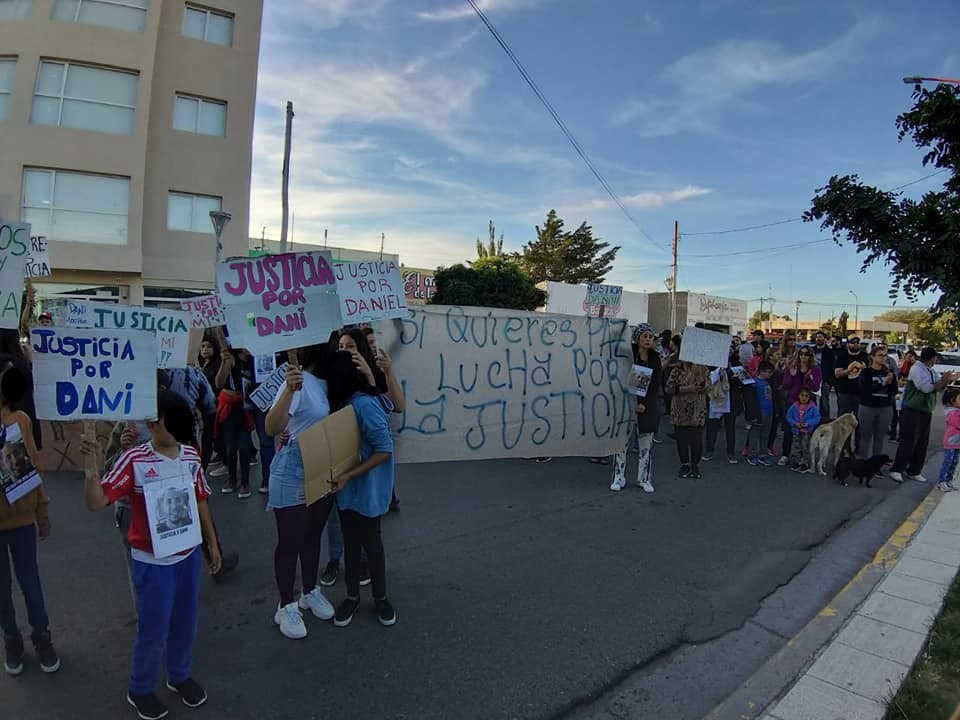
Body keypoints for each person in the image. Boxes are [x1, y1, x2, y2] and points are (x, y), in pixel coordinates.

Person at [80, 390, 222, 720]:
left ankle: (179, 675)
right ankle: (140, 688)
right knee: (153, 629)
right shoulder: (134, 460)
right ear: (153, 424)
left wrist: (211, 542)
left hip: (187, 557)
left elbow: (201, 498)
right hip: (152, 563)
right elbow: (96, 501)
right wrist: (91, 468)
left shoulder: (190, 456)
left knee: (186, 621)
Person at [264, 343, 337, 640]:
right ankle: (286, 604)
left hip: (322, 464)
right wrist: (289, 391)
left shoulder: (327, 384)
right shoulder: (296, 382)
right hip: (292, 469)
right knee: (290, 540)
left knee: (312, 535)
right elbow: (271, 426)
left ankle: (309, 591)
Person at [326, 351, 397, 628]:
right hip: (347, 489)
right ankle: (352, 596)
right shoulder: (342, 405)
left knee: (371, 543)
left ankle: (381, 598)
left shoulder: (365, 405)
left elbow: (385, 449)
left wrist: (349, 475)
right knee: (351, 544)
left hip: (366, 489)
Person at [0, 362, 58, 676]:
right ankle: (12, 640)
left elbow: (35, 468)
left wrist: (42, 511)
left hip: (21, 520)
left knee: (30, 581)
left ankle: (42, 637)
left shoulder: (20, 420)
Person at [890, 348, 958, 484]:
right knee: (908, 440)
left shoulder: (930, 371)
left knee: (922, 442)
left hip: (926, 410)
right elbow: (926, 388)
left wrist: (947, 380)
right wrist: (943, 381)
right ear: (931, 358)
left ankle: (914, 470)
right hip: (913, 409)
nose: (936, 361)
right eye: (935, 358)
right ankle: (897, 469)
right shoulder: (917, 369)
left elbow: (939, 385)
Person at [611, 324, 661, 492]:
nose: (648, 339)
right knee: (621, 444)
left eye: (650, 336)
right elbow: (620, 377)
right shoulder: (628, 355)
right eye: (644, 336)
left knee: (645, 445)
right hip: (626, 404)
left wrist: (644, 403)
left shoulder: (655, 358)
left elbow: (655, 384)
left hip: (646, 407)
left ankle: (644, 479)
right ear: (637, 338)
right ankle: (619, 477)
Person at [215, 347, 255, 497]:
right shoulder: (231, 358)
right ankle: (231, 479)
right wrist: (224, 364)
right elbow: (219, 383)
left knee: (244, 446)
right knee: (231, 446)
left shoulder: (255, 359)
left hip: (247, 408)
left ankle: (245, 482)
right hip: (231, 408)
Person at [665, 343, 709, 479]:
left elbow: (708, 388)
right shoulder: (676, 371)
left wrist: (700, 381)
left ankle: (695, 465)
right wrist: (686, 389)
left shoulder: (703, 370)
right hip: (680, 410)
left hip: (697, 410)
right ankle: (684, 464)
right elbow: (669, 388)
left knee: (696, 440)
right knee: (682, 439)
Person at [779, 346, 822, 465]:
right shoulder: (792, 367)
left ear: (810, 356)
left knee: (806, 431)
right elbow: (786, 385)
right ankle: (785, 454)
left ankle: (804, 457)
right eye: (801, 354)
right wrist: (791, 374)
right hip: (793, 401)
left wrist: (808, 378)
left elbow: (816, 387)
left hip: (808, 403)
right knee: (788, 428)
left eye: (806, 354)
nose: (803, 356)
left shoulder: (815, 369)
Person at [857, 345, 897, 460]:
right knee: (866, 435)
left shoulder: (888, 373)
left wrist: (891, 381)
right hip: (868, 407)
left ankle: (875, 463)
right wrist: (882, 384)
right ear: (872, 357)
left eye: (885, 356)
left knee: (880, 437)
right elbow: (865, 390)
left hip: (884, 407)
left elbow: (893, 391)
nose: (883, 358)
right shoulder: (866, 372)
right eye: (880, 355)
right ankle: (863, 461)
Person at [746, 362, 776, 467]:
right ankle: (752, 454)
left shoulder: (768, 382)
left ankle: (763, 454)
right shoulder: (755, 383)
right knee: (755, 433)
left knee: (765, 434)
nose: (770, 374)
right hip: (759, 411)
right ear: (761, 371)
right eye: (768, 372)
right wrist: (752, 414)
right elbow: (751, 400)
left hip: (769, 410)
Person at [785, 387, 821, 472]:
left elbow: (817, 417)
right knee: (796, 446)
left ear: (809, 397)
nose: (804, 398)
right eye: (802, 395)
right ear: (798, 396)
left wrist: (808, 423)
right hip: (796, 430)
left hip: (807, 431)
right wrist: (794, 423)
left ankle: (805, 462)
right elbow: (788, 416)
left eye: (806, 396)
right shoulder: (794, 406)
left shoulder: (812, 407)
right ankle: (797, 461)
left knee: (805, 447)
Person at [936, 387, 960, 492]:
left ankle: (949, 480)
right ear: (952, 401)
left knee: (954, 462)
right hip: (951, 442)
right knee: (948, 462)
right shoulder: (952, 413)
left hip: (957, 442)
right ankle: (941, 482)